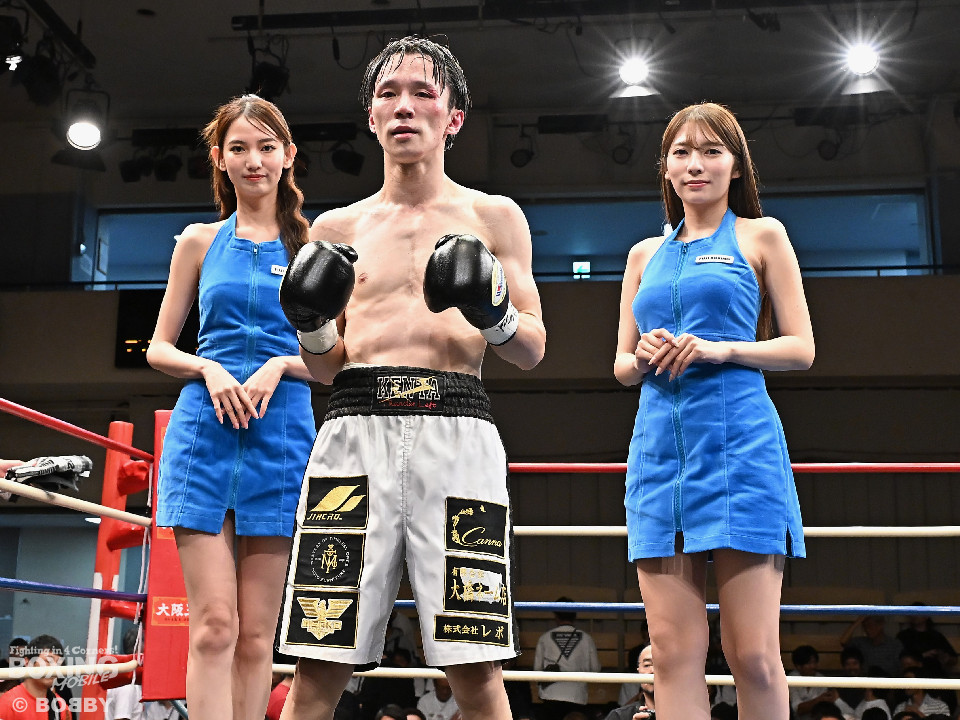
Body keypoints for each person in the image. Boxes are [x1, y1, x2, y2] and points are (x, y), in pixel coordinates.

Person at [274, 35, 545, 720]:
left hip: (456, 429)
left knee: (474, 663)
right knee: (318, 657)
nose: (404, 107)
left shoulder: (493, 216)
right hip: (353, 428)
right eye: (388, 94)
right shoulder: (337, 226)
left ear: (454, 117)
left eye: (423, 93)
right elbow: (325, 367)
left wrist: (492, 309)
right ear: (371, 116)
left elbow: (532, 349)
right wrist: (311, 324)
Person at [614, 102, 815, 720]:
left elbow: (801, 349)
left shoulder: (762, 235)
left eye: (711, 151)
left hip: (741, 450)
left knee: (752, 656)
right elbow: (620, 365)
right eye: (681, 152)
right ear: (666, 168)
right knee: (672, 656)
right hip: (659, 457)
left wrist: (722, 347)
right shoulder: (643, 254)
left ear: (736, 165)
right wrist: (641, 355)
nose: (695, 164)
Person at [145, 94, 317, 720]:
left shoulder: (315, 246)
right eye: (239, 148)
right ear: (219, 158)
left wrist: (280, 363)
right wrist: (208, 367)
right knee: (215, 625)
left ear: (288, 155)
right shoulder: (197, 242)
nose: (254, 161)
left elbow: (342, 357)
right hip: (204, 432)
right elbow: (159, 347)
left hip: (282, 434)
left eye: (266, 147)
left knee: (256, 636)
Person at [533, 601, 601, 720]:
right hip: (577, 695)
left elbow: (537, 670)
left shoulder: (545, 638)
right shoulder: (587, 639)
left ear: (556, 616)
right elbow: (595, 669)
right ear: (575, 616)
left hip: (550, 695)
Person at [0, 635, 72, 719]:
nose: (54, 668)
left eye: (58, 664)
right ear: (28, 663)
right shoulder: (8, 704)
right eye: (48, 661)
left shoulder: (60, 707)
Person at [604, 643, 656, 720]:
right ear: (638, 671)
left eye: (660, 665)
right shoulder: (618, 716)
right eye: (647, 665)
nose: (652, 671)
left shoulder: (677, 713)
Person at [789, 645, 842, 720]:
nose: (813, 666)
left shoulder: (822, 679)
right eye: (809, 663)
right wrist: (819, 700)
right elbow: (798, 710)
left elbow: (823, 709)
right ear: (798, 666)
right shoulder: (791, 679)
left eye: (815, 662)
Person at [840, 616, 904, 678]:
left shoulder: (895, 645)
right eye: (864, 627)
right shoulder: (860, 642)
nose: (867, 630)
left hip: (888, 681)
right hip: (865, 682)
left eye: (869, 626)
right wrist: (858, 621)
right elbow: (843, 641)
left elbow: (900, 669)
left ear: (880, 624)